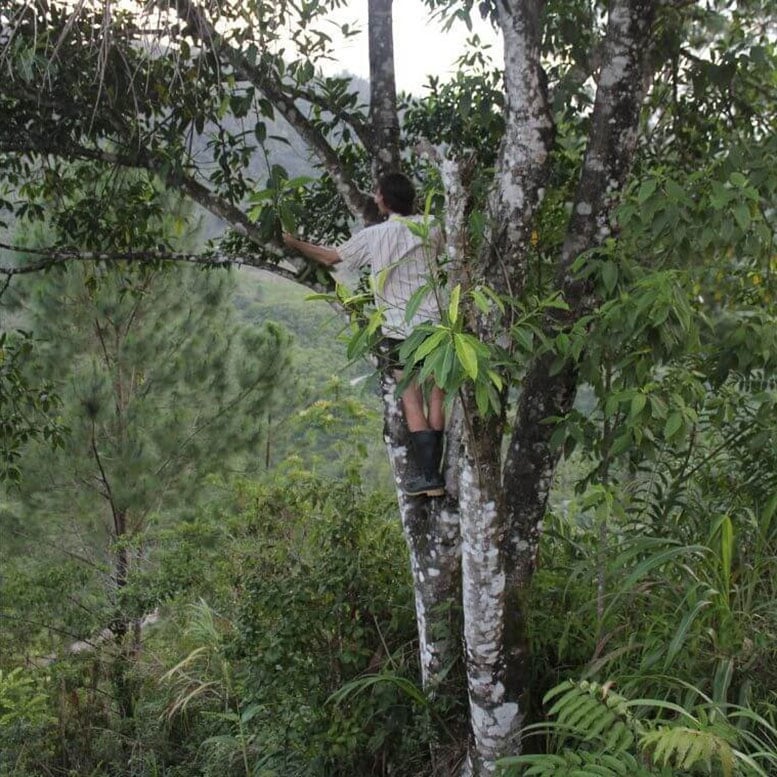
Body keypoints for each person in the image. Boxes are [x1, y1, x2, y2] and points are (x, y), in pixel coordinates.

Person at [283, 172, 446, 497]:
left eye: (376, 193)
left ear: (384, 198)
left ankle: (429, 477)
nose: (374, 198)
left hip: (400, 326)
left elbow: (331, 257)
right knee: (437, 394)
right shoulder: (432, 226)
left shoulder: (375, 235)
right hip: (437, 323)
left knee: (411, 396)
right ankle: (436, 474)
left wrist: (293, 243)